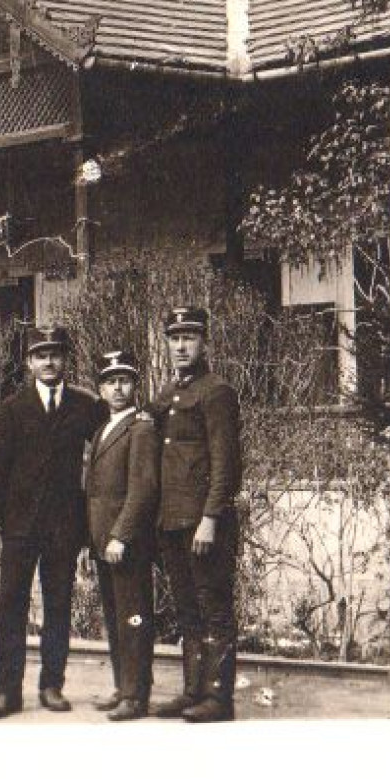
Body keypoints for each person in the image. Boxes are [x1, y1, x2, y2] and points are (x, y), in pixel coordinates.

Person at [0, 325, 106, 720]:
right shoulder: (13, 409)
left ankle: (52, 685)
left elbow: (111, 443)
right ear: (29, 362)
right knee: (10, 607)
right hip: (19, 526)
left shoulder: (86, 407)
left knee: (58, 606)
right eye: (41, 354)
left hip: (64, 526)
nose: (49, 361)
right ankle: (7, 692)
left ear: (66, 359)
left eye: (56, 354)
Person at [152, 306, 243, 723]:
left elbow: (226, 464)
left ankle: (219, 697)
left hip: (205, 524)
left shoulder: (216, 391)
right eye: (174, 337)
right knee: (186, 609)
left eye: (189, 336)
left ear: (204, 341)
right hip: (172, 522)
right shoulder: (168, 395)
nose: (182, 345)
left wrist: (210, 517)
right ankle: (192, 691)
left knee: (214, 608)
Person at [84, 348, 160, 722]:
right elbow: (95, 491)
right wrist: (93, 540)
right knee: (116, 617)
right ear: (100, 389)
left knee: (133, 617)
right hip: (103, 541)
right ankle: (122, 686)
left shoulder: (141, 428)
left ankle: (136, 694)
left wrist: (121, 536)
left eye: (124, 381)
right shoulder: (103, 430)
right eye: (110, 382)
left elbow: (142, 488)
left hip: (126, 542)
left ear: (134, 385)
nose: (118, 388)